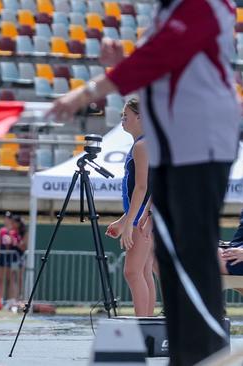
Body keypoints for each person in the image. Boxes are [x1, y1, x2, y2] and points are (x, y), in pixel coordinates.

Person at [47, 1, 239, 362]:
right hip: (174, 142)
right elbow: (158, 75)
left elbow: (160, 57)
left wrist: (88, 91)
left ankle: (206, 351)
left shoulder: (203, 5)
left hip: (202, 141)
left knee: (191, 253)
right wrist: (121, 69)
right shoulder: (167, 12)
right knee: (168, 257)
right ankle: (186, 352)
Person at [105, 98, 156, 317]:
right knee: (143, 271)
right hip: (142, 216)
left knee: (132, 272)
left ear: (140, 117)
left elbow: (142, 188)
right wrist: (123, 220)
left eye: (127, 116)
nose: (123, 120)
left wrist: (131, 224)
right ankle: (146, 325)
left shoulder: (142, 146)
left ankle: (143, 326)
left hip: (142, 219)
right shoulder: (143, 144)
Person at [0, 211, 17, 308]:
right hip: (2, 257)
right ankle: (0, 299)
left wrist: (11, 239)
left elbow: (16, 243)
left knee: (10, 280)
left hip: (11, 258)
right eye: (5, 218)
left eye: (8, 218)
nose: (6, 220)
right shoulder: (1, 231)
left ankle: (11, 300)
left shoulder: (15, 231)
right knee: (0, 279)